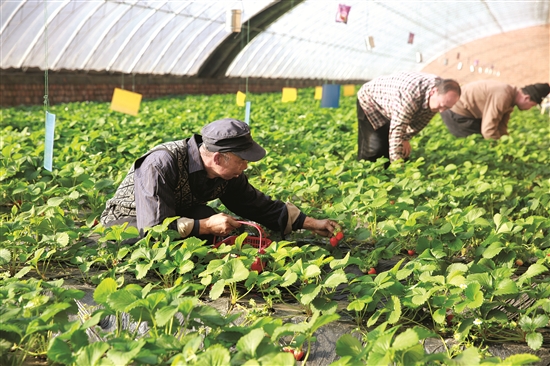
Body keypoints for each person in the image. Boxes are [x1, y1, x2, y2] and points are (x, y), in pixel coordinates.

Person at [100, 118, 340, 243]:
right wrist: (205, 226)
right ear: (218, 158)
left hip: (173, 217)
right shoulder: (161, 164)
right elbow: (153, 229)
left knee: (207, 217)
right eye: (242, 160)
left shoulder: (228, 174)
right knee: (139, 240)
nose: (246, 166)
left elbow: (255, 204)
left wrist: (311, 223)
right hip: (130, 222)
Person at [356, 71, 461, 164]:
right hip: (371, 101)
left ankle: (388, 173)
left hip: (393, 105)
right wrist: (398, 167)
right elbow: (397, 130)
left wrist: (405, 138)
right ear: (433, 92)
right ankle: (364, 171)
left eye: (447, 107)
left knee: (398, 149)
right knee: (375, 149)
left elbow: (421, 122)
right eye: (442, 105)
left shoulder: (438, 96)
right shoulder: (410, 96)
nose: (442, 110)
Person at [441, 81, 550, 139]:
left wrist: (505, 140)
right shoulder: (503, 96)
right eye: (532, 105)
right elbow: (488, 129)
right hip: (456, 113)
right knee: (478, 142)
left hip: (467, 113)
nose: (529, 108)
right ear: (527, 98)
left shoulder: (511, 97)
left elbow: (501, 126)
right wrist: (498, 148)